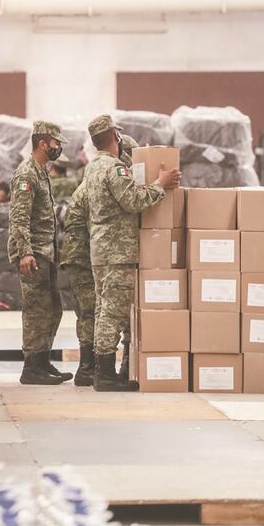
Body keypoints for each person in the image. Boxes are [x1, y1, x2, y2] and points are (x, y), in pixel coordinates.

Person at [85, 115, 180, 392]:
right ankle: (105, 375)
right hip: (117, 250)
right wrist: (161, 183)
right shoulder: (114, 169)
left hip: (101, 249)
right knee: (113, 313)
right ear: (115, 135)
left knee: (104, 310)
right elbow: (133, 201)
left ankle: (101, 370)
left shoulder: (92, 167)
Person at [59, 132, 140, 387]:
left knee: (102, 310)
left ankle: (95, 370)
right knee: (95, 312)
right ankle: (90, 369)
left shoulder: (94, 175)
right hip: (84, 254)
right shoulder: (105, 178)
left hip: (93, 252)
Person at [8, 120, 73, 385]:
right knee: (36, 310)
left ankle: (43, 362)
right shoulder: (27, 174)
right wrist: (25, 252)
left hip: (45, 251)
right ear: (43, 143)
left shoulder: (41, 171)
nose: (59, 148)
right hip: (32, 252)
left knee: (52, 309)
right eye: (56, 143)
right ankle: (31, 368)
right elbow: (19, 217)